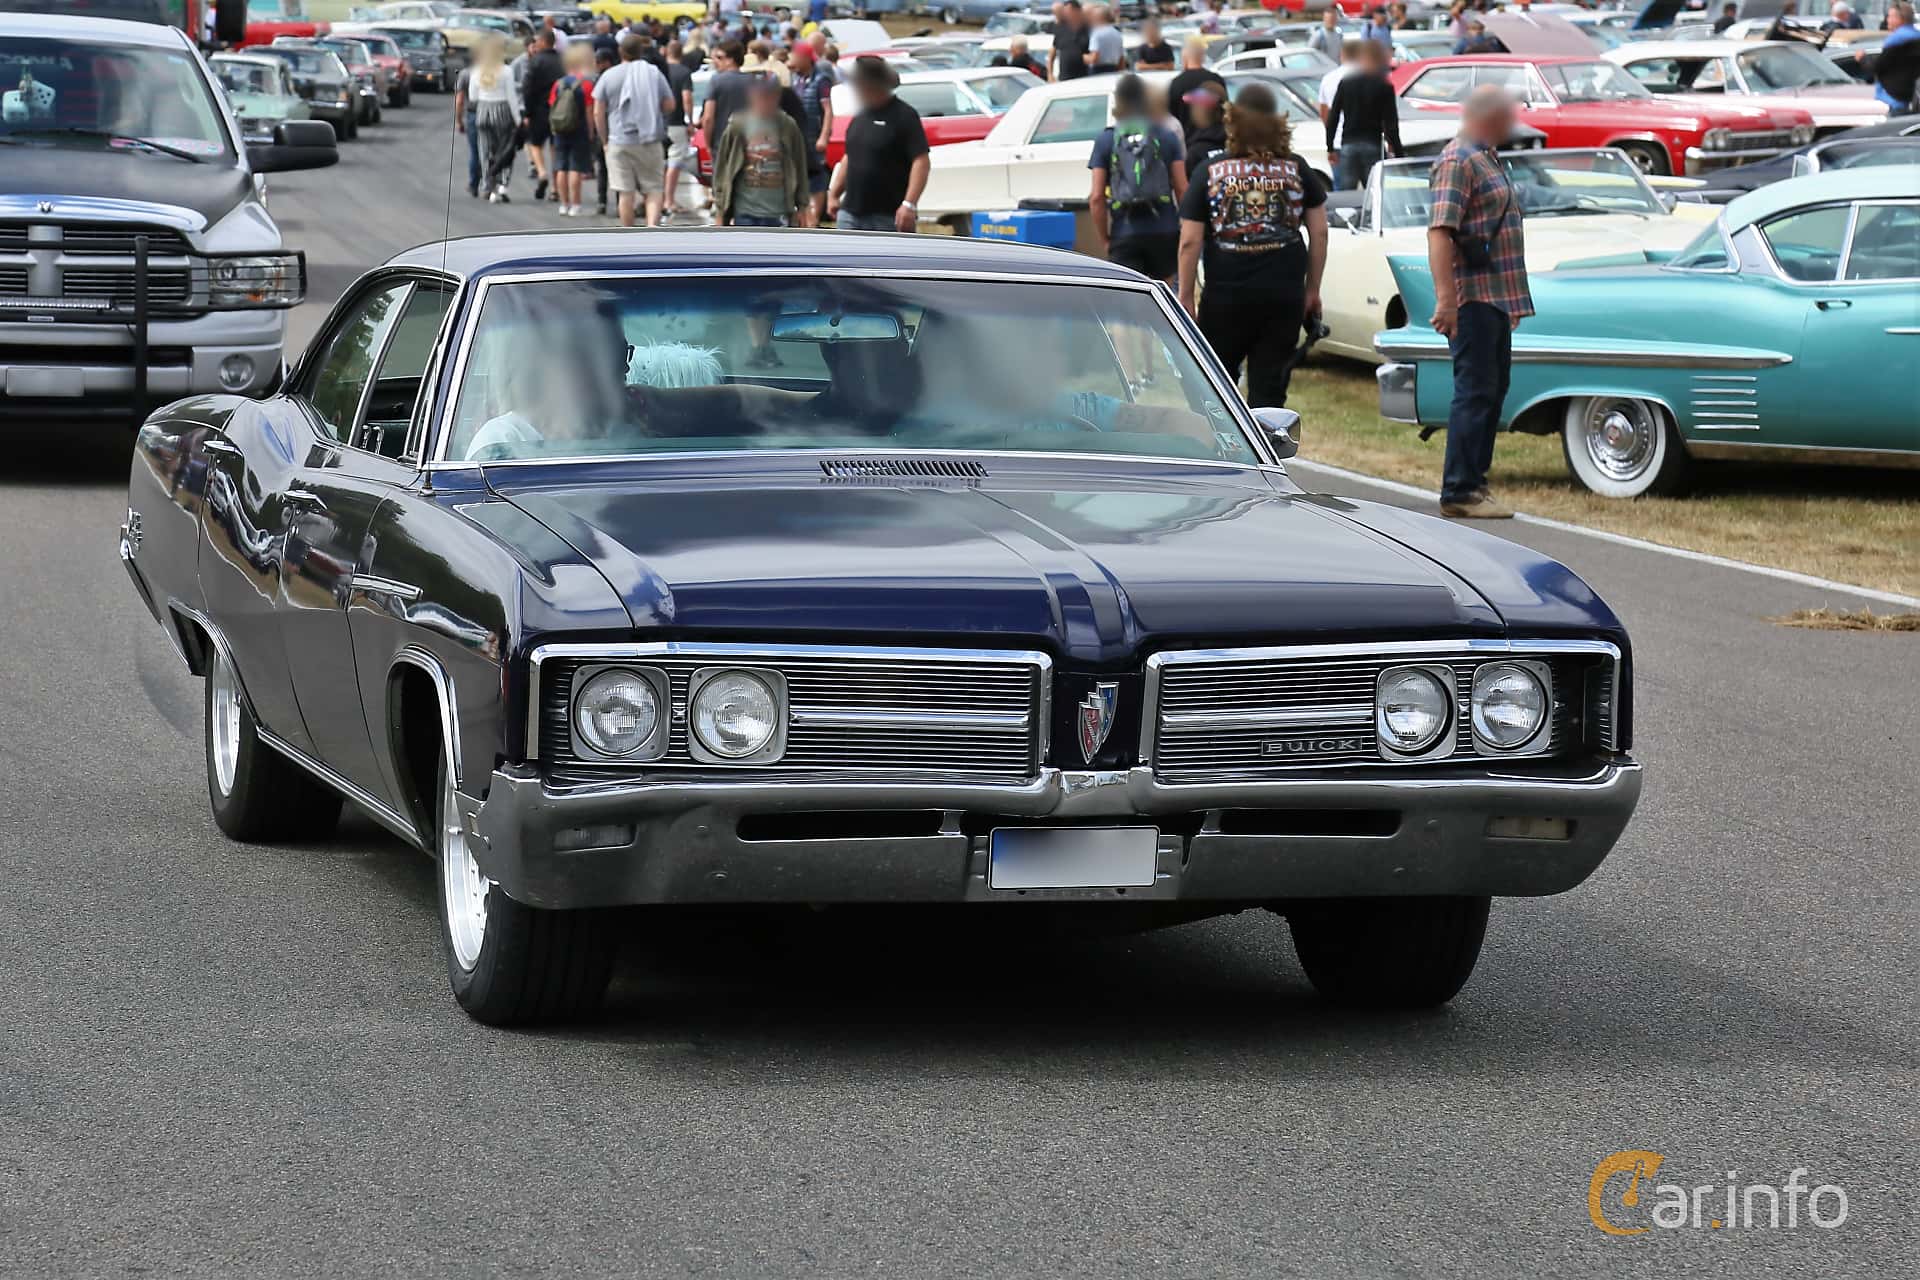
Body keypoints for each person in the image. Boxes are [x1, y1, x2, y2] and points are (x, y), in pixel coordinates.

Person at [1176, 82, 1326, 410]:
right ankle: (1268, 454)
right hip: (1283, 296)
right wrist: (1312, 289)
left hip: (1226, 298)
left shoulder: (1210, 171)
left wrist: (1185, 295)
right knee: (1270, 391)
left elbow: (1190, 241)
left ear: (1232, 122)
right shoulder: (1298, 169)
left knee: (1216, 389)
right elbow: (1320, 231)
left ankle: (1225, 452)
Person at [1425, 86, 1531, 520]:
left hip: (1496, 297)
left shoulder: (1485, 154)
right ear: (1487, 118)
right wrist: (1447, 301)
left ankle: (1475, 482)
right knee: (1475, 391)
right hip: (1472, 298)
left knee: (1492, 390)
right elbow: (1440, 232)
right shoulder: (1458, 161)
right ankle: (1460, 490)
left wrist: (1512, 302)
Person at [1090, 74, 1188, 284]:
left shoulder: (1106, 139)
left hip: (1124, 232)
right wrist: (1185, 229)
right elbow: (1182, 188)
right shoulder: (1166, 136)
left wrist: (1105, 239)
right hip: (1165, 230)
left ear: (1119, 101)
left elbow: (1096, 197)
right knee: (1164, 295)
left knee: (1128, 302)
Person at [828, 56, 929, 232]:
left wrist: (909, 204)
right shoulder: (860, 117)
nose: (855, 90)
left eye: (858, 84)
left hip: (888, 215)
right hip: (850, 212)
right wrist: (834, 193)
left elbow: (921, 161)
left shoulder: (904, 116)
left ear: (870, 86)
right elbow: (850, 156)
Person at [596, 33, 676, 227]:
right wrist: (650, 109)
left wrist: (604, 140)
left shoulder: (609, 75)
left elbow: (598, 111)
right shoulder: (653, 73)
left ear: (620, 52)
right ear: (642, 51)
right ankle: (652, 230)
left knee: (625, 192)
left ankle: (629, 235)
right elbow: (670, 105)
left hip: (619, 140)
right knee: (654, 189)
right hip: (649, 139)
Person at [714, 74, 812, 227]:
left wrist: (803, 206)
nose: (765, 101)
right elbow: (722, 168)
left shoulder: (787, 126)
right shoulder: (737, 125)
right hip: (745, 212)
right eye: (760, 95)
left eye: (770, 95)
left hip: (778, 212)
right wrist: (721, 210)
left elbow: (799, 166)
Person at [1324, 36, 1401, 191]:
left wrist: (1330, 146)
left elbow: (1333, 116)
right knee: (1375, 193)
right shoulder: (1384, 86)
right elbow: (1391, 124)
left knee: (1347, 197)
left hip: (1348, 144)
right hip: (1372, 143)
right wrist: (1398, 151)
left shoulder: (1346, 83)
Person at [547, 42, 597, 216]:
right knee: (575, 167)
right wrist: (591, 131)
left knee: (561, 166)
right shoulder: (586, 84)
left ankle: (564, 203)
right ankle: (576, 204)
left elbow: (552, 106)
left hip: (560, 128)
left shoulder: (558, 84)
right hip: (579, 129)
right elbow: (590, 111)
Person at [469, 38, 522, 203]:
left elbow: (473, 96)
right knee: (505, 150)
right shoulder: (506, 71)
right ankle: (502, 185)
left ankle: (487, 185)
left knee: (485, 151)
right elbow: (511, 97)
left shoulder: (477, 70)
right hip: (502, 111)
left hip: (483, 111)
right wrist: (518, 119)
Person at [789, 42, 835, 224]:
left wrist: (824, 136)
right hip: (797, 137)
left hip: (813, 136)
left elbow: (828, 110)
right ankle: (802, 215)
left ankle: (814, 218)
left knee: (816, 177)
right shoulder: (796, 79)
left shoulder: (821, 80)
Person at [519, 31, 566, 203]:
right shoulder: (562, 60)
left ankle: (542, 172)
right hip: (560, 110)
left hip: (539, 110)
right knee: (555, 149)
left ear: (544, 42)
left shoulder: (535, 61)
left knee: (535, 144)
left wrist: (527, 112)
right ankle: (555, 189)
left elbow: (527, 88)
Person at [701, 41, 755, 166]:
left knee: (722, 182)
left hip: (722, 144)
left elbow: (708, 118)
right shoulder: (753, 81)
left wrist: (708, 145)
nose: (715, 61)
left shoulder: (716, 81)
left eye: (719, 58)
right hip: (748, 143)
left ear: (731, 60)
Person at [662, 40, 697, 221]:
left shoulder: (659, 70)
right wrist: (690, 121)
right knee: (675, 162)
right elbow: (687, 98)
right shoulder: (684, 72)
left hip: (660, 123)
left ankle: (658, 199)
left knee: (661, 163)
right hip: (676, 122)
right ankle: (669, 200)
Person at [1168, 35, 1224, 134]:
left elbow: (1171, 120)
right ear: (1203, 57)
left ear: (1184, 56)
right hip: (1216, 140)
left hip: (1188, 143)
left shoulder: (1177, 84)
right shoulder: (1216, 80)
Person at [1880, 3, 1919, 111]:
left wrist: (1864, 60)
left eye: (1890, 16)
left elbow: (1882, 67)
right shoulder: (1915, 35)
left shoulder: (1896, 39)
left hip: (1895, 100)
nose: (1887, 20)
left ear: (1900, 19)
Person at [1181, 83, 1226, 172]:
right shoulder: (1238, 143)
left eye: (1195, 106)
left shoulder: (1195, 152)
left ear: (1203, 110)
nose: (1192, 111)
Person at [453, 62, 482, 198]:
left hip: (474, 114)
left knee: (475, 151)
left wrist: (459, 121)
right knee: (490, 151)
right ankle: (490, 184)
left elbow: (459, 101)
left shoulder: (465, 74)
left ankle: (474, 184)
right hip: (494, 113)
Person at [1052, 2, 1090, 82]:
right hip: (1064, 78)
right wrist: (1050, 74)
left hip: (1084, 78)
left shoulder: (1089, 30)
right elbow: (1053, 52)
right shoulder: (1061, 29)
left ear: (1078, 11)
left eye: (1069, 12)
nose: (1066, 15)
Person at [1086, 5, 1125, 75]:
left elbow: (1094, 58)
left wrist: (1080, 57)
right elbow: (1121, 59)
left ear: (1098, 18)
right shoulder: (1117, 33)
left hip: (1098, 72)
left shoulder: (1096, 33)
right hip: (1114, 70)